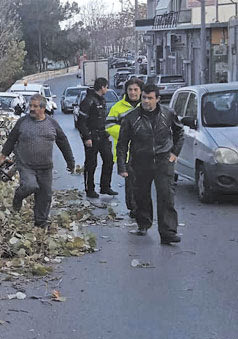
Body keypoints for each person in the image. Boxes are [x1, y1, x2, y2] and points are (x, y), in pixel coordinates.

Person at [117, 84, 184, 244]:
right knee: (141, 195)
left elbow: (179, 132)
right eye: (144, 98)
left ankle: (168, 232)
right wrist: (122, 166)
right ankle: (143, 223)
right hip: (140, 161)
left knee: (166, 195)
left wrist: (174, 153)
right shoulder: (131, 118)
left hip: (163, 160)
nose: (146, 101)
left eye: (150, 98)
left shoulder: (168, 114)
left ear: (158, 99)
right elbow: (122, 144)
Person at [0, 94, 75, 228]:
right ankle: (18, 195)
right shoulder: (22, 122)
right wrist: (3, 156)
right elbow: (11, 138)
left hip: (46, 168)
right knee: (30, 186)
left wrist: (70, 162)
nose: (32, 109)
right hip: (26, 165)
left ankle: (40, 222)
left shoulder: (52, 124)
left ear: (43, 108)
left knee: (45, 196)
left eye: (35, 106)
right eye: (30, 106)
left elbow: (63, 142)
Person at [106, 77, 144, 218]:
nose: (133, 93)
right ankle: (134, 208)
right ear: (126, 91)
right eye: (130, 90)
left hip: (144, 152)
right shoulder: (117, 107)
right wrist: (125, 134)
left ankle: (141, 206)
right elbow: (109, 126)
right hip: (126, 153)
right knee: (132, 183)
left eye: (135, 90)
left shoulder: (146, 106)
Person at [78, 77, 117, 198]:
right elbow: (81, 122)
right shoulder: (88, 101)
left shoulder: (101, 100)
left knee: (109, 159)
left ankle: (105, 187)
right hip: (91, 136)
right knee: (91, 163)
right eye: (106, 87)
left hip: (102, 135)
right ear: (102, 87)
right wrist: (87, 137)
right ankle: (90, 189)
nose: (107, 89)